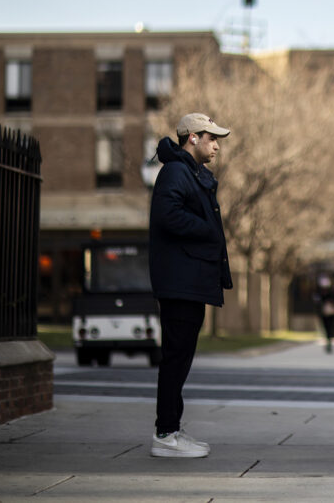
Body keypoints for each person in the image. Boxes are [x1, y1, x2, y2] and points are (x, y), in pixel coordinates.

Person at [148, 112, 232, 458]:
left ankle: (171, 429)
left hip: (188, 280)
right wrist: (207, 229)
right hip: (180, 282)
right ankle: (166, 435)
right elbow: (167, 216)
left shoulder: (189, 173)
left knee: (180, 359)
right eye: (211, 138)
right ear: (192, 138)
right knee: (175, 358)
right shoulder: (176, 172)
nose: (216, 145)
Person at [313, 273, 334, 353]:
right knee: (326, 327)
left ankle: (330, 341)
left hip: (332, 313)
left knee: (331, 328)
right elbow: (317, 302)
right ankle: (328, 341)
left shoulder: (333, 291)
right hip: (324, 313)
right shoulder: (319, 292)